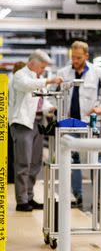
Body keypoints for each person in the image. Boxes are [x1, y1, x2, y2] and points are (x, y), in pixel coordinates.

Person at [58, 41, 101, 207]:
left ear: (86, 56)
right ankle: (76, 195)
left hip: (89, 123)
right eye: (73, 57)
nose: (75, 61)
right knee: (72, 160)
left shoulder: (97, 72)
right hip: (69, 123)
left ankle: (98, 198)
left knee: (95, 160)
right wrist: (55, 109)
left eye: (79, 57)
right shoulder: (63, 73)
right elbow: (54, 94)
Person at [10, 50, 62, 212]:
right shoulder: (20, 76)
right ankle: (21, 200)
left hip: (38, 124)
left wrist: (51, 107)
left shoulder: (37, 79)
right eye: (41, 67)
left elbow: (41, 101)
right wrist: (49, 80)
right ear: (32, 63)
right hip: (22, 125)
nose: (43, 71)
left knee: (35, 163)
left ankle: (30, 197)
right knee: (23, 163)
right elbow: (27, 86)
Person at [7, 61, 26, 185]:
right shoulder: (15, 83)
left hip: (9, 120)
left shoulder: (10, 81)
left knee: (9, 151)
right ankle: (12, 176)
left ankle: (9, 175)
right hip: (13, 120)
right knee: (15, 151)